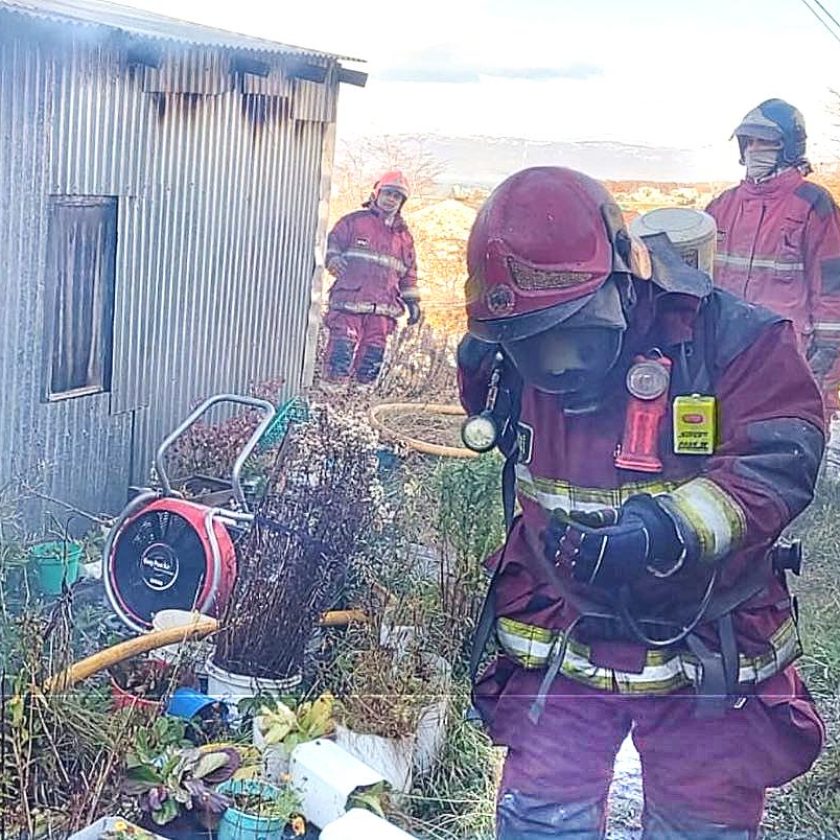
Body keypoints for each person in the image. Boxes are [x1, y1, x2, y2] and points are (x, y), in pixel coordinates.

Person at [457, 166, 826, 839]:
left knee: (697, 825)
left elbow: (781, 462)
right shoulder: (509, 347)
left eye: (573, 337)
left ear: (626, 277)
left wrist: (663, 529)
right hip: (563, 644)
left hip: (701, 650)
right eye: (536, 348)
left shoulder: (737, 340)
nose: (557, 366)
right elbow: (496, 412)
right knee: (542, 819)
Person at [705, 99, 840, 419]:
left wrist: (827, 363)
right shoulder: (721, 206)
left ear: (789, 147)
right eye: (748, 141)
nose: (754, 149)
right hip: (725, 358)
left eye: (763, 141)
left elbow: (833, 290)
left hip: (789, 360)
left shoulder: (813, 204)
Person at [321, 170, 421, 386]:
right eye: (388, 193)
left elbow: (409, 273)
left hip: (383, 311)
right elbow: (332, 244)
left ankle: (356, 407)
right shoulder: (354, 222)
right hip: (349, 303)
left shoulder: (404, 237)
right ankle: (328, 406)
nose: (391, 199)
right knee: (341, 352)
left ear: (402, 202)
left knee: (371, 360)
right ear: (377, 193)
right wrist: (333, 259)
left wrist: (412, 302)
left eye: (397, 196)